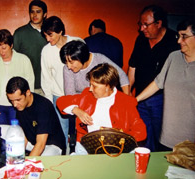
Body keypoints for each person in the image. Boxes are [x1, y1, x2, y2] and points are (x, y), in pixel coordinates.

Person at [57, 63, 147, 154]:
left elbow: (141, 131)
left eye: (94, 86)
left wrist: (118, 138)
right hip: (88, 145)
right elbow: (61, 101)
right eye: (90, 85)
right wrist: (76, 110)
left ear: (108, 86)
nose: (90, 89)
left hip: (117, 147)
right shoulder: (87, 95)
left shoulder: (126, 102)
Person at [136, 18, 195, 150]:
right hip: (167, 137)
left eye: (184, 36)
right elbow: (157, 83)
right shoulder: (173, 57)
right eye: (178, 36)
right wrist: (135, 100)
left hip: (191, 141)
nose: (179, 41)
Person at [127, 5, 180, 152]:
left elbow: (162, 81)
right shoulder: (141, 40)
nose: (142, 28)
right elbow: (132, 67)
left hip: (162, 99)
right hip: (140, 97)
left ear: (159, 23)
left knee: (161, 138)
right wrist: (128, 93)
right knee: (143, 138)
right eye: (140, 24)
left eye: (146, 24)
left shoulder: (174, 42)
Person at [41, 16, 84, 144]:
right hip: (58, 97)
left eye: (50, 35)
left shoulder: (78, 42)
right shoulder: (46, 51)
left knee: (82, 130)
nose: (48, 39)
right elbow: (46, 78)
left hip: (80, 96)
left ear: (60, 31)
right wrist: (49, 102)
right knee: (61, 133)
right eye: (45, 36)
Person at [0, 29, 34, 125]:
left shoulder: (23, 60)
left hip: (18, 105)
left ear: (11, 45)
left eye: (4, 48)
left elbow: (30, 83)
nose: (1, 52)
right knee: (0, 134)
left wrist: (26, 104)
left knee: (17, 133)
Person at [6, 76, 66, 156]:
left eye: (18, 100)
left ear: (27, 93)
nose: (15, 104)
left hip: (51, 145)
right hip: (33, 142)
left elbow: (41, 144)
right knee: (0, 130)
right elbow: (23, 136)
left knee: (44, 158)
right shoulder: (20, 105)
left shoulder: (43, 106)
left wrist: (28, 164)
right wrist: (17, 157)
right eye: (11, 101)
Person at [60, 40, 129, 95]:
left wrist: (126, 100)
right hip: (82, 103)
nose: (68, 66)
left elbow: (122, 76)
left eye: (71, 62)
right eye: (66, 63)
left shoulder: (99, 59)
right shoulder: (67, 69)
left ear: (81, 57)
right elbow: (70, 94)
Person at [13, 0, 47, 95]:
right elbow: (13, 59)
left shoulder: (50, 33)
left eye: (38, 12)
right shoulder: (20, 33)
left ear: (45, 14)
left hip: (47, 86)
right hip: (26, 87)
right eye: (32, 12)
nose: (35, 15)